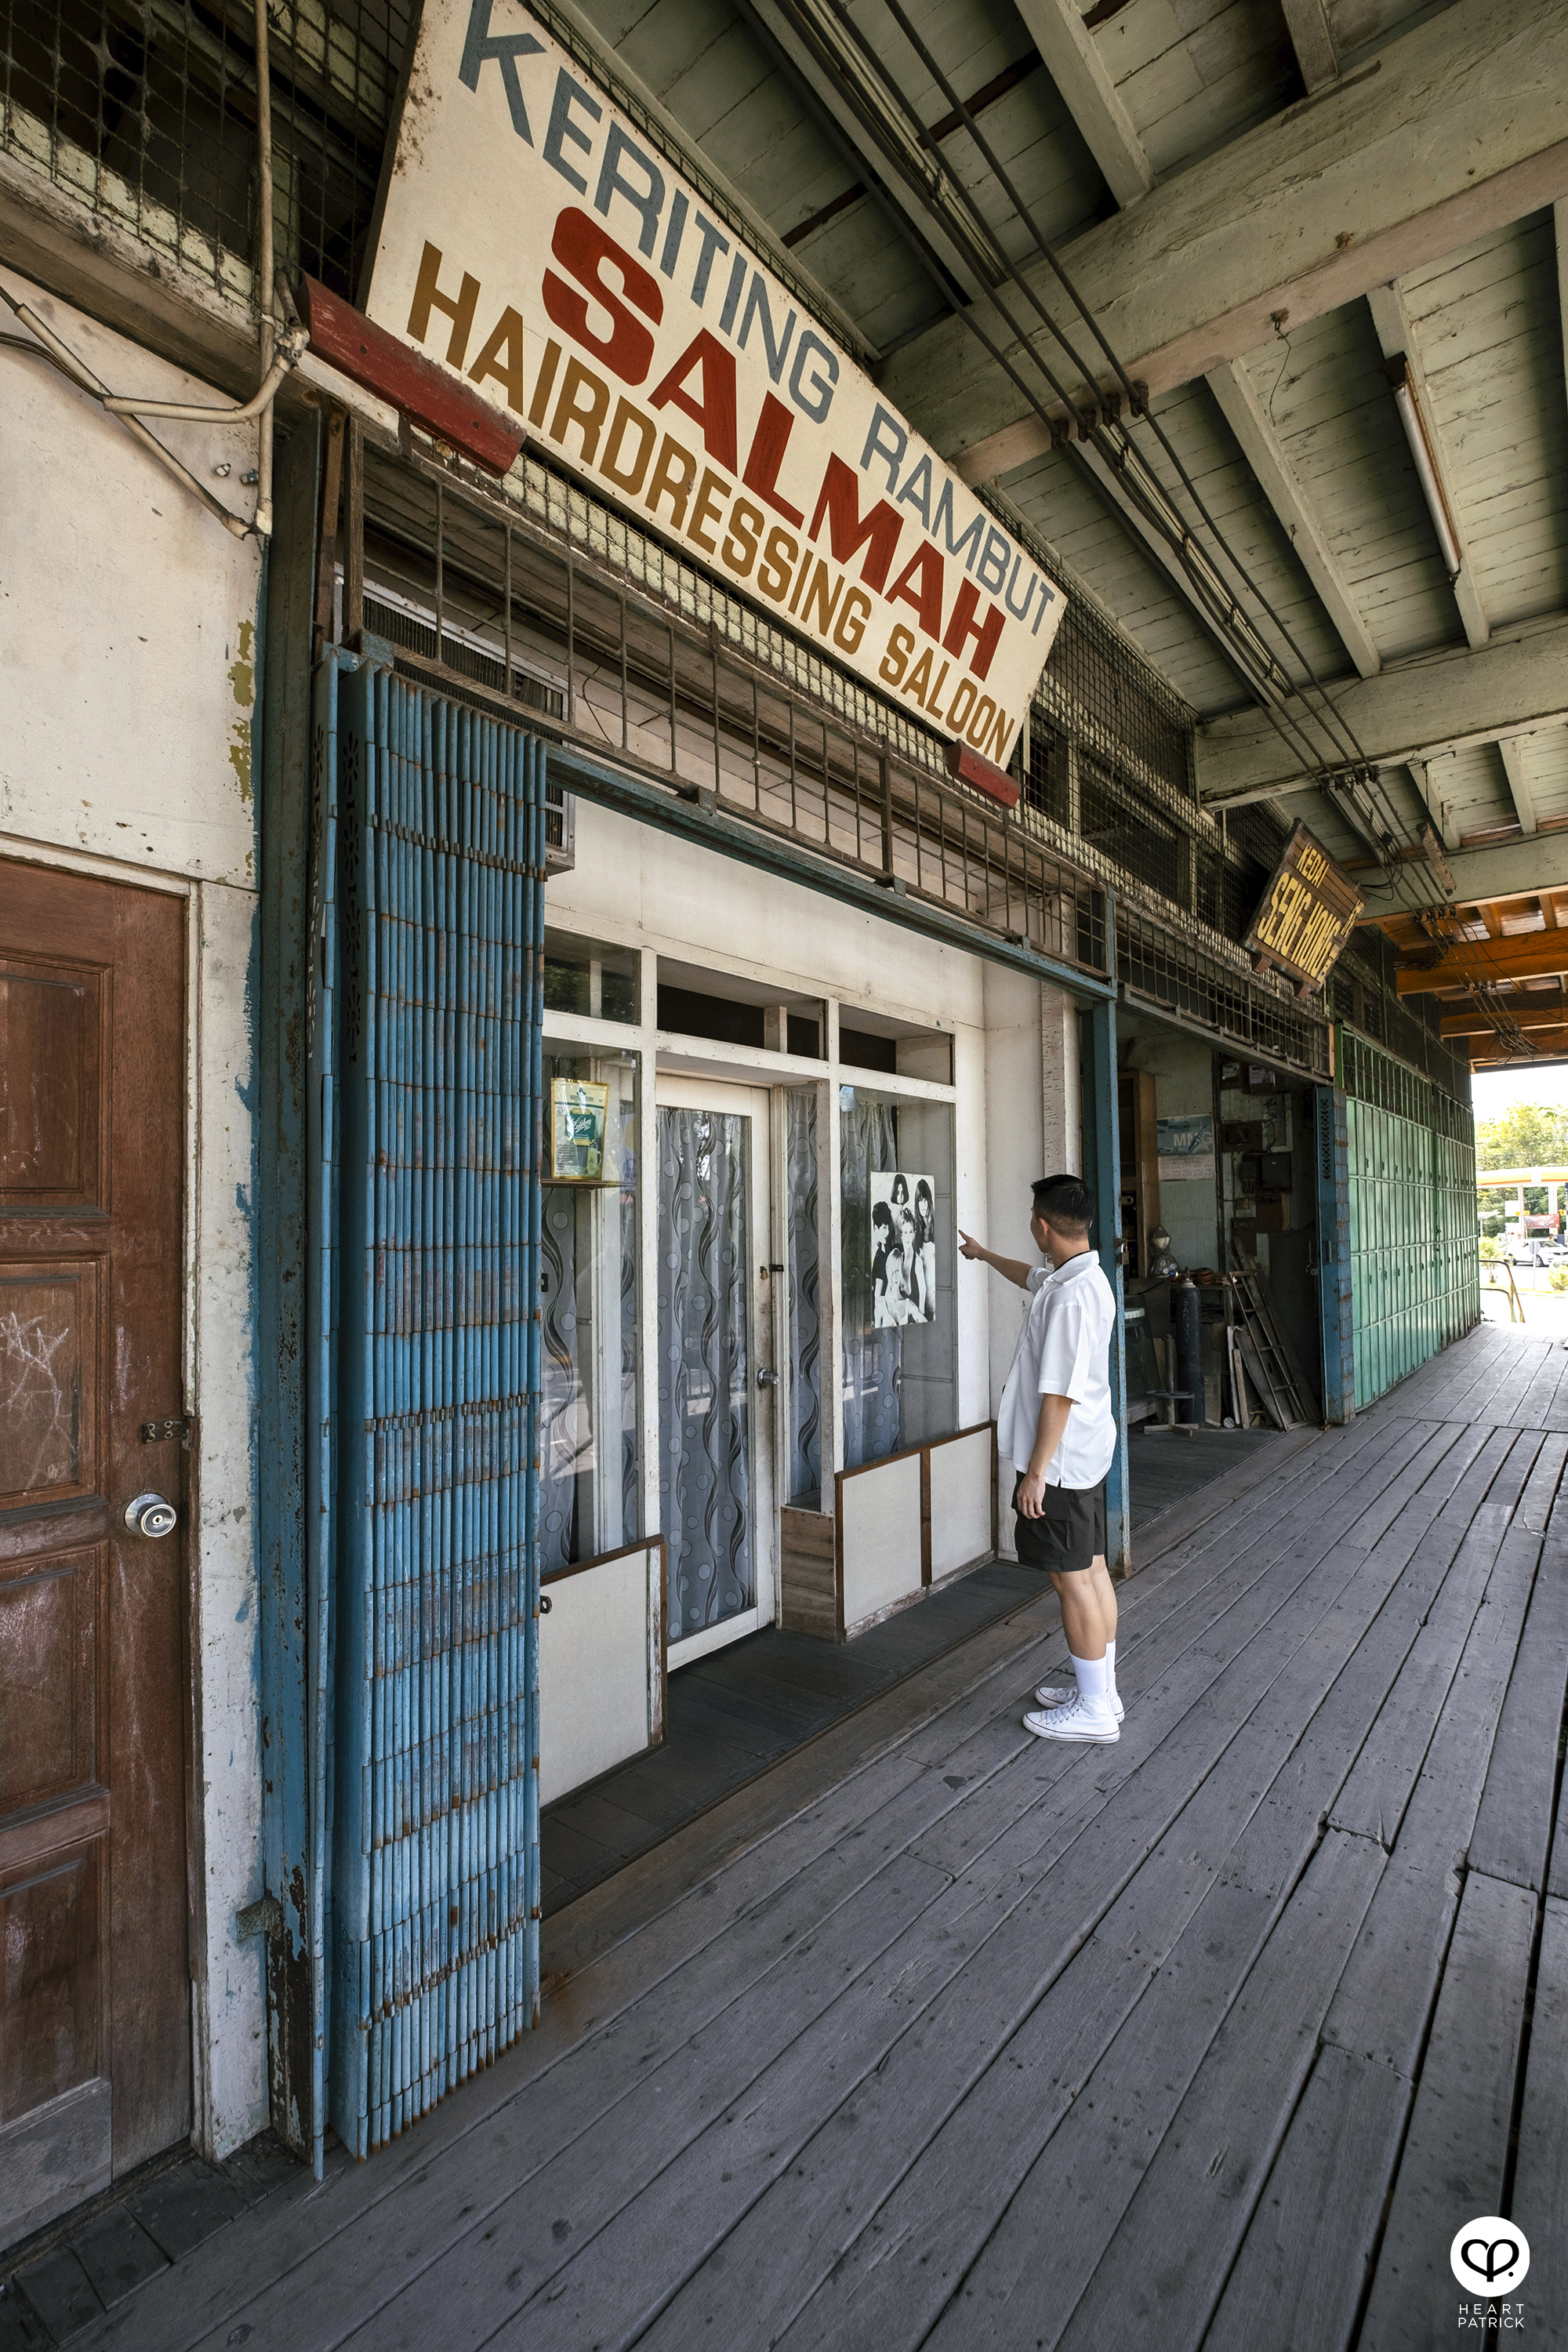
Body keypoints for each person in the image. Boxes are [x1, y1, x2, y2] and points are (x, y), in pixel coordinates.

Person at [960, 1174, 1120, 1743]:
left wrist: (1036, 1474)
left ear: (1042, 1225)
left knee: (1071, 1580)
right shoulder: (1076, 1276)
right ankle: (1101, 1690)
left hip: (1061, 1464)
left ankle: (1096, 1711)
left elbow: (1059, 1395)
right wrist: (981, 1255)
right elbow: (1027, 1275)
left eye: (1032, 1216)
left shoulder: (1073, 1296)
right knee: (1093, 1570)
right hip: (1085, 1456)